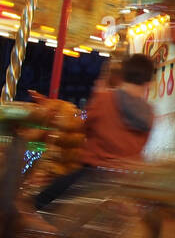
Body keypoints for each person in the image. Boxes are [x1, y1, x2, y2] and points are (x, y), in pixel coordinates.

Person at [34, 53, 155, 210]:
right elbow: (142, 144)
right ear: (148, 82)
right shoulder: (149, 113)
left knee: (42, 199)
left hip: (94, 174)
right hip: (128, 179)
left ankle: (44, 229)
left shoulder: (105, 99)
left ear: (124, 75)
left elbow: (83, 127)